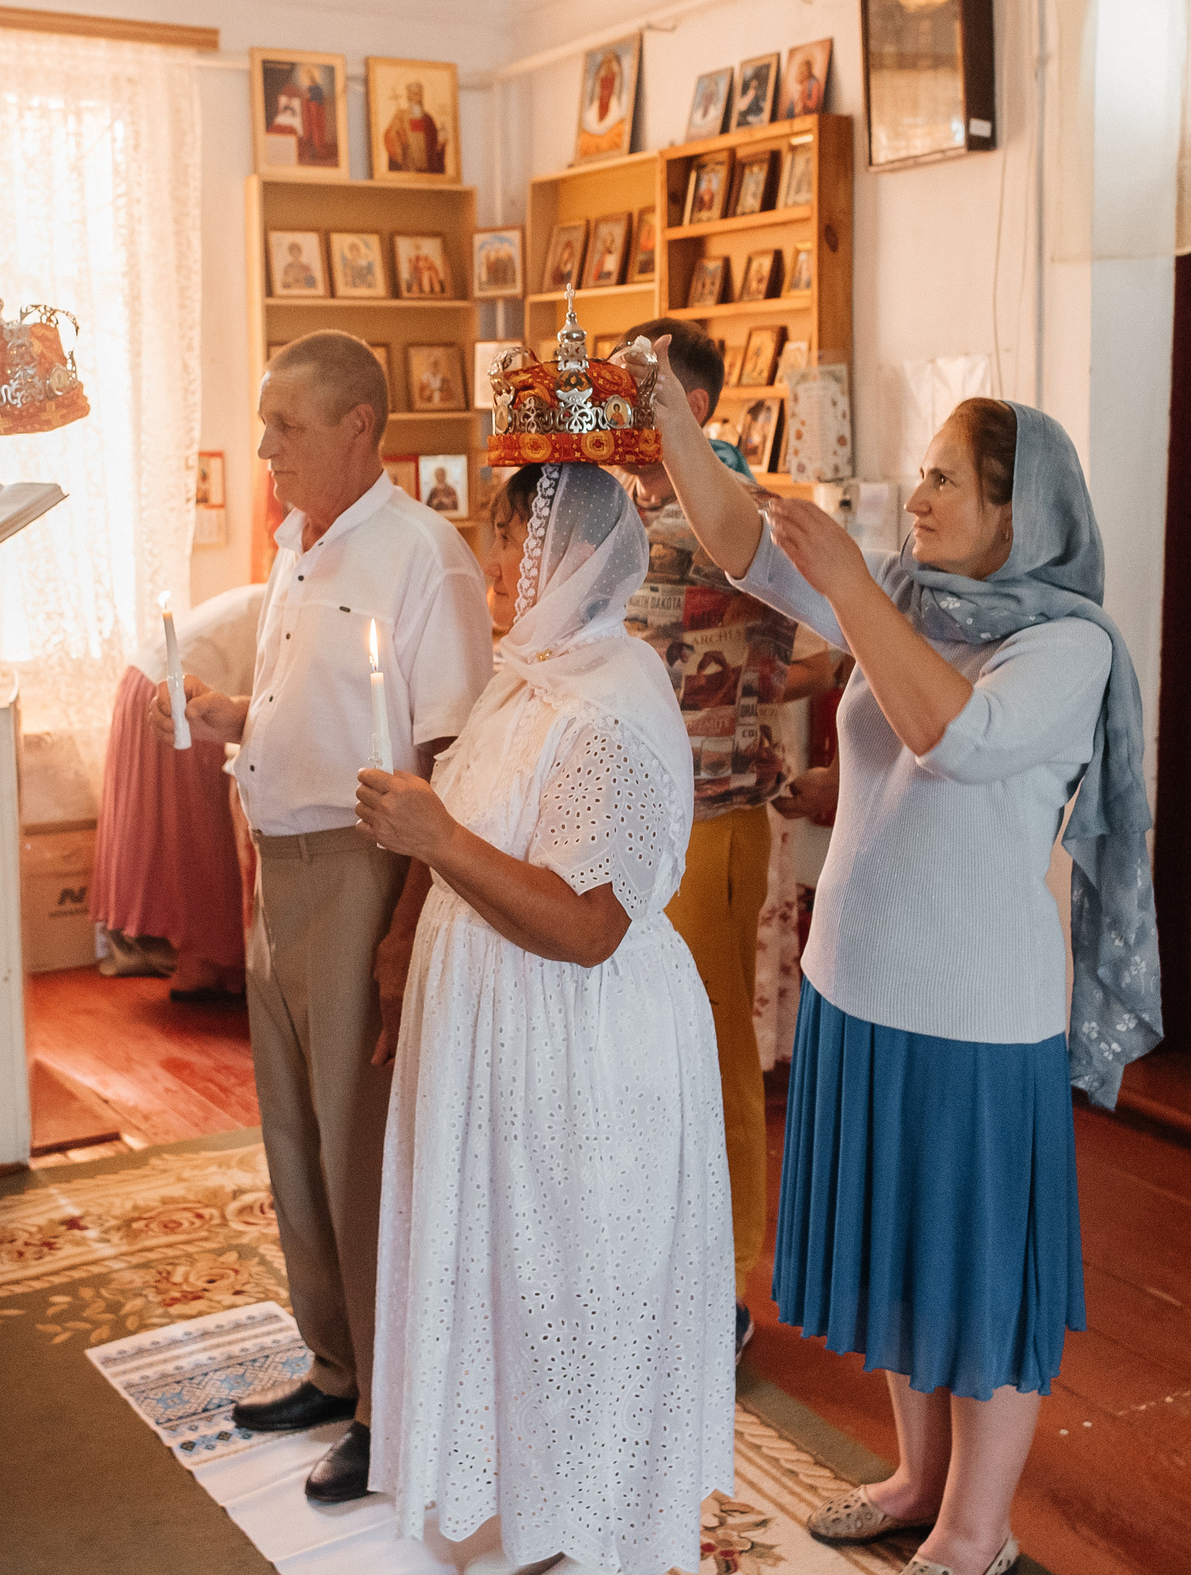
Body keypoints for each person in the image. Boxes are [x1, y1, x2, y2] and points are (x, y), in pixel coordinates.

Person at [650, 375, 1162, 1575]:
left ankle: (975, 1530)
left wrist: (844, 581)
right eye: (921, 473)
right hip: (855, 982)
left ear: (1015, 511)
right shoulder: (909, 593)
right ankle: (918, 1477)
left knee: (975, 1269)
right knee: (895, 1247)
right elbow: (734, 543)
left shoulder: (1066, 646)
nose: (919, 492)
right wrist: (669, 419)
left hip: (976, 1014)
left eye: (944, 478)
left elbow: (952, 734)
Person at [355, 461, 737, 1575]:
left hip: (581, 1045)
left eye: (503, 536)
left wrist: (438, 840)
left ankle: (597, 1531)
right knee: (509, 1279)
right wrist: (401, 946)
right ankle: (526, 1515)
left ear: (559, 553)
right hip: (503, 1032)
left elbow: (586, 927)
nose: (487, 565)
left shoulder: (612, 705)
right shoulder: (528, 679)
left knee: (576, 1284)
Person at [157, 330, 493, 1506]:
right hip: (280, 854)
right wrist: (230, 714)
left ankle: (389, 1397)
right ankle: (332, 1357)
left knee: (359, 1143)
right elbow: (322, 705)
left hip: (364, 868)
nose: (264, 449)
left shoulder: (422, 557)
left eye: (283, 426)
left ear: (360, 426)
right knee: (295, 1132)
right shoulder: (302, 544)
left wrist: (406, 927)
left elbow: (449, 747)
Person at [618, 318, 836, 1354]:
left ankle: (726, 1289)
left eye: (636, 383)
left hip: (711, 822)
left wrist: (748, 711)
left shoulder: (730, 516)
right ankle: (654, 1263)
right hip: (634, 821)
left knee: (711, 1056)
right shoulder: (635, 508)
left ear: (689, 405)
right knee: (640, 1058)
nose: (614, 398)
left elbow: (819, 652)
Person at [91, 583, 269, 999]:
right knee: (205, 835)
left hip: (144, 680)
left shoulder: (266, 592)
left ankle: (207, 963)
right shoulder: (295, 607)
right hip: (180, 695)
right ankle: (210, 962)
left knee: (182, 834)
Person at [382, 81, 446, 174]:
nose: (416, 95)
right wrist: (396, 129)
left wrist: (441, 140)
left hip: (425, 164)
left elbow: (434, 141)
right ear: (408, 95)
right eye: (413, 93)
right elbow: (390, 135)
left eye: (418, 93)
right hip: (408, 161)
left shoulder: (428, 119)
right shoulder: (401, 115)